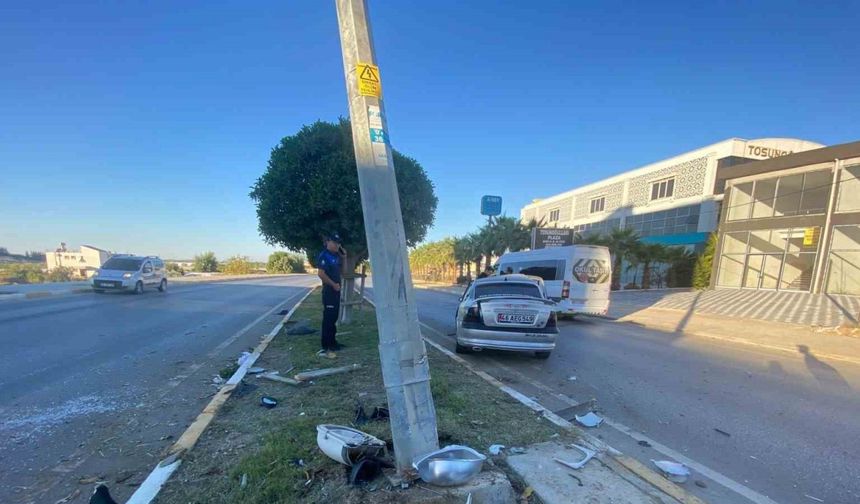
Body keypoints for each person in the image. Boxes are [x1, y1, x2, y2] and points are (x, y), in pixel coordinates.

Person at [317, 233, 346, 359]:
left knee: (334, 317)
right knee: (328, 318)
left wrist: (344, 258)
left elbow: (343, 272)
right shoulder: (324, 255)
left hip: (336, 290)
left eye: (338, 243)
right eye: (334, 242)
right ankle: (326, 345)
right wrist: (333, 284)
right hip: (329, 290)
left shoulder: (336, 256)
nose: (337, 245)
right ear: (328, 242)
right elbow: (321, 274)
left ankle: (333, 342)